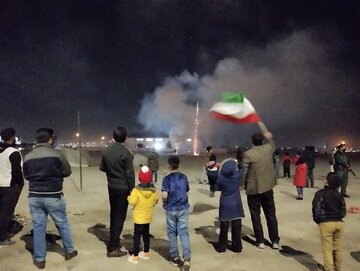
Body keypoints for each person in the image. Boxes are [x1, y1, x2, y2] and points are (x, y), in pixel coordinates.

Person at [23, 128, 77, 269]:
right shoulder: (57, 154)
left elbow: (27, 175)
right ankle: (69, 251)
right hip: (54, 195)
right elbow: (67, 171)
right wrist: (55, 174)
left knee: (39, 227)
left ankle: (40, 259)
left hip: (34, 196)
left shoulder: (28, 156)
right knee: (62, 223)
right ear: (50, 139)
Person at [241, 131, 280, 249]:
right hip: (268, 187)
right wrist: (270, 137)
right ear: (262, 141)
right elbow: (273, 144)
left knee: (255, 215)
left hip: (254, 189)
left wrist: (242, 184)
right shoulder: (268, 149)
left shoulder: (248, 154)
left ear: (252, 142)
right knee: (271, 215)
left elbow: (244, 172)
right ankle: (274, 241)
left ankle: (260, 240)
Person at [100, 126, 135, 257]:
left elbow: (103, 168)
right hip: (123, 189)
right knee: (119, 217)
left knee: (113, 215)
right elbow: (130, 174)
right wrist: (133, 189)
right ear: (125, 138)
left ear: (113, 137)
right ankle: (113, 247)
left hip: (112, 187)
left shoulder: (106, 151)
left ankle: (114, 241)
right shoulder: (126, 152)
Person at [161, 155, 191, 271]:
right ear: (179, 165)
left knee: (172, 232)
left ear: (168, 165)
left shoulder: (166, 179)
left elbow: (164, 195)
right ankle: (187, 258)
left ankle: (175, 257)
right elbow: (187, 193)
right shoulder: (183, 177)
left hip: (171, 208)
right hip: (183, 208)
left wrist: (164, 203)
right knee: (183, 232)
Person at [312, 172, 346, 271]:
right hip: (339, 223)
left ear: (327, 181)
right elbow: (343, 211)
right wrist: (338, 217)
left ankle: (329, 269)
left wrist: (318, 220)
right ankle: (337, 268)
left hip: (326, 223)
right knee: (337, 248)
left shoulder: (320, 194)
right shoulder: (339, 196)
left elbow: (316, 208)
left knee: (327, 249)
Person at [127, 166, 158, 264]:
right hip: (147, 217)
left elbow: (132, 202)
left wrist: (128, 197)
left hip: (138, 218)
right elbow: (155, 200)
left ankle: (135, 256)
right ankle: (146, 253)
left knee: (137, 237)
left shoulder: (136, 191)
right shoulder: (153, 190)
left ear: (140, 178)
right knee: (146, 235)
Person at [0, 128, 24, 246]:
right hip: (9, 186)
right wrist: (20, 184)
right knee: (6, 212)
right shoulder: (13, 152)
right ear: (13, 137)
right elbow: (16, 172)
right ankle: (3, 237)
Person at [216, 158, 244, 255]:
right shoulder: (236, 176)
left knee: (224, 228)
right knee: (236, 226)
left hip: (225, 203)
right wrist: (237, 162)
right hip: (236, 203)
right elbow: (242, 167)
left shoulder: (221, 178)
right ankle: (237, 247)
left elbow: (217, 187)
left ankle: (222, 248)